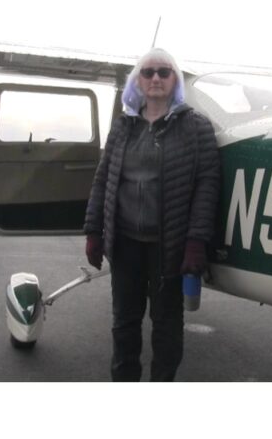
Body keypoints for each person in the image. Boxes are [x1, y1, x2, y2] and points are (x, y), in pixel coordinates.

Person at [83, 47, 221, 382]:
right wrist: (93, 230)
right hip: (126, 243)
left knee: (167, 325)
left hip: (168, 245)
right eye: (148, 73)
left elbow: (207, 185)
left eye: (164, 72)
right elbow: (104, 179)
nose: (156, 78)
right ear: (138, 82)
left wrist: (195, 242)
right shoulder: (123, 128)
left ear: (175, 80)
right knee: (124, 323)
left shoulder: (196, 128)